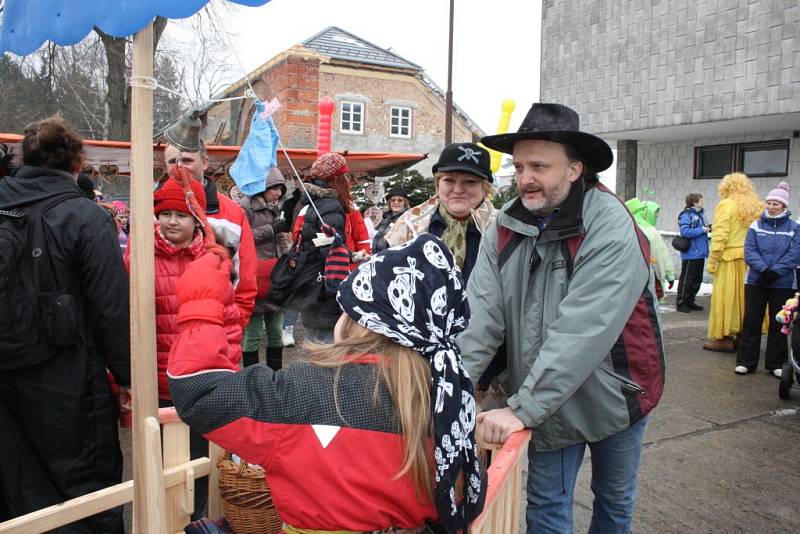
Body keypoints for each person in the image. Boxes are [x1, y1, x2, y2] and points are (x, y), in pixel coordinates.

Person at [167, 234, 486, 533]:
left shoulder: (302, 391)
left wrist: (202, 302)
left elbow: (200, 392)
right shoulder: (449, 399)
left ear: (357, 319)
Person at [457, 103, 665, 534]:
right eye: (518, 167)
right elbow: (480, 316)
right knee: (547, 504)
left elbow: (584, 329)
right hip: (545, 391)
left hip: (617, 392)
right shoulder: (505, 226)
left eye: (539, 166)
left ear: (574, 169)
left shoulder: (609, 225)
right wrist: (451, 390)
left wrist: (523, 408)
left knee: (613, 501)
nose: (525, 178)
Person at [0, 116, 130, 532]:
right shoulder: (86, 217)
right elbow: (111, 307)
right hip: (68, 375)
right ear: (76, 162)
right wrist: (127, 376)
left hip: (5, 371)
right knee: (84, 488)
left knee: (15, 485)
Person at [163, 113, 257, 330]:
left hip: (214, 332)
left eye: (187, 160)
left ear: (204, 163)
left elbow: (245, 283)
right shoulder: (148, 212)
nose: (179, 167)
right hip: (160, 333)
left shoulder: (232, 214)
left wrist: (230, 330)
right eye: (172, 161)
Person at [384, 143, 498, 283]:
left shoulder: (503, 228)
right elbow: (386, 279)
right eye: (449, 180)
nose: (458, 189)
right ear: (438, 184)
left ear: (485, 188)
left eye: (469, 182)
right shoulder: (409, 224)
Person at [289, 152, 365, 344]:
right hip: (326, 286)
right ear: (337, 178)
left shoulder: (307, 203)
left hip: (310, 282)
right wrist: (352, 256)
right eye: (345, 175)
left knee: (312, 342)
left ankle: (307, 374)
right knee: (327, 348)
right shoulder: (331, 206)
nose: (348, 180)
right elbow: (331, 249)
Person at [735, 182, 800, 376]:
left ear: (784, 206)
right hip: (756, 280)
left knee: (779, 323)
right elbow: (749, 250)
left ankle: (776, 364)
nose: (771, 207)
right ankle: (746, 361)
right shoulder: (756, 225)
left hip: (782, 282)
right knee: (752, 321)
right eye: (769, 203)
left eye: (776, 204)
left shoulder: (794, 228)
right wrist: (763, 268)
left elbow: (795, 253)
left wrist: (776, 270)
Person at [703, 172, 763, 353]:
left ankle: (724, 338)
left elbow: (720, 235)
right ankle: (742, 337)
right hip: (750, 259)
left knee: (726, 298)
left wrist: (713, 259)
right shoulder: (757, 206)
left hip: (729, 259)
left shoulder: (726, 205)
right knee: (746, 299)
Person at [238, 167, 290, 369]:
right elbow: (243, 236)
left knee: (276, 331)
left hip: (274, 276)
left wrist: (287, 258)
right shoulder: (245, 208)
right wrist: (271, 229)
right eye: (274, 188)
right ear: (263, 187)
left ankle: (275, 375)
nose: (278, 193)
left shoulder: (274, 208)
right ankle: (252, 376)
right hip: (254, 276)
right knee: (253, 333)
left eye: (280, 189)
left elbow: (280, 239)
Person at [625, 197, 676, 302]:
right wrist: (670, 275)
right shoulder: (651, 231)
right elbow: (662, 255)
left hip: (628, 280)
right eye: (655, 213)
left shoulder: (624, 228)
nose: (656, 216)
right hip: (650, 277)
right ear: (644, 212)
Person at [675, 193, 710, 312]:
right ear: (695, 202)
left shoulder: (700, 214)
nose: (702, 202)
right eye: (701, 200)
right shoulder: (686, 215)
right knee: (687, 279)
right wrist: (702, 229)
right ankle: (681, 302)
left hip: (700, 252)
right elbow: (685, 231)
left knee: (696, 279)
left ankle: (690, 300)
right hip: (691, 253)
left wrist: (707, 228)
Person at [372, 185, 410, 253]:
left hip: (394, 258)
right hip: (377, 256)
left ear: (405, 202)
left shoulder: (407, 218)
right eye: (393, 200)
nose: (396, 202)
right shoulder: (384, 218)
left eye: (400, 200)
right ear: (389, 202)